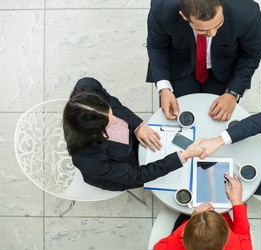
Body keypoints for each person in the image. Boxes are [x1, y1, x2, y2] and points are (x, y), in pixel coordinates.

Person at [63, 77, 203, 191]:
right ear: (94, 132)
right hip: (127, 169)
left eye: (111, 112)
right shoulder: (90, 161)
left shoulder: (87, 86)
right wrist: (184, 156)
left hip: (133, 143)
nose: (116, 120)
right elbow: (137, 175)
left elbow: (112, 101)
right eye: (109, 123)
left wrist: (137, 126)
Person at [146, 0, 261, 121]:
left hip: (224, 67)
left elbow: (252, 53)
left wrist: (233, 93)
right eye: (202, 30)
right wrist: (163, 88)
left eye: (218, 24)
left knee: (218, 120)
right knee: (176, 119)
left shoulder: (247, 12)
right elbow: (157, 46)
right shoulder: (162, 8)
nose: (213, 33)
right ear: (183, 16)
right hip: (180, 64)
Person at [150, 173, 252, 250]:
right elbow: (244, 236)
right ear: (227, 235)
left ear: (184, 234)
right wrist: (237, 202)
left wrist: (192, 218)